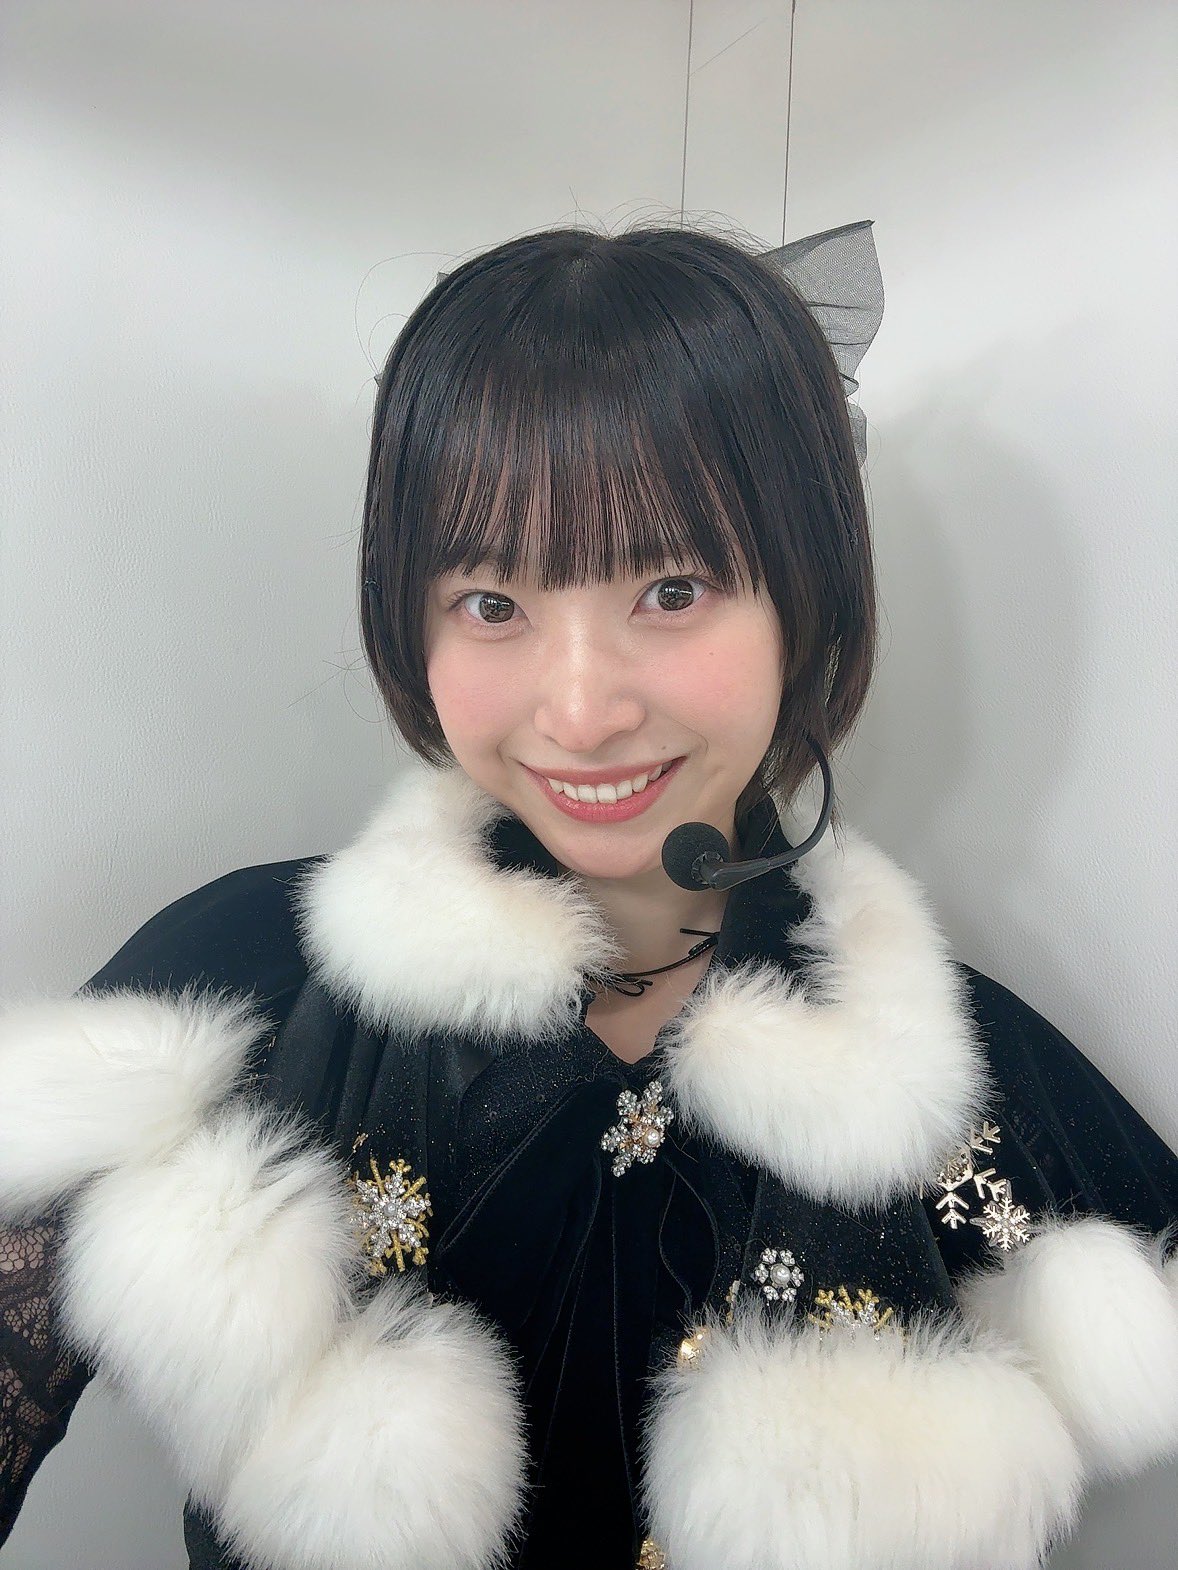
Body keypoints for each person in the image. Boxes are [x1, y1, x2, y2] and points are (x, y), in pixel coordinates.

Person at [1, 219, 1176, 1570]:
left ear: (805, 602)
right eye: (491, 601)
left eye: (670, 588)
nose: (580, 708)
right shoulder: (237, 988)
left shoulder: (955, 1077)